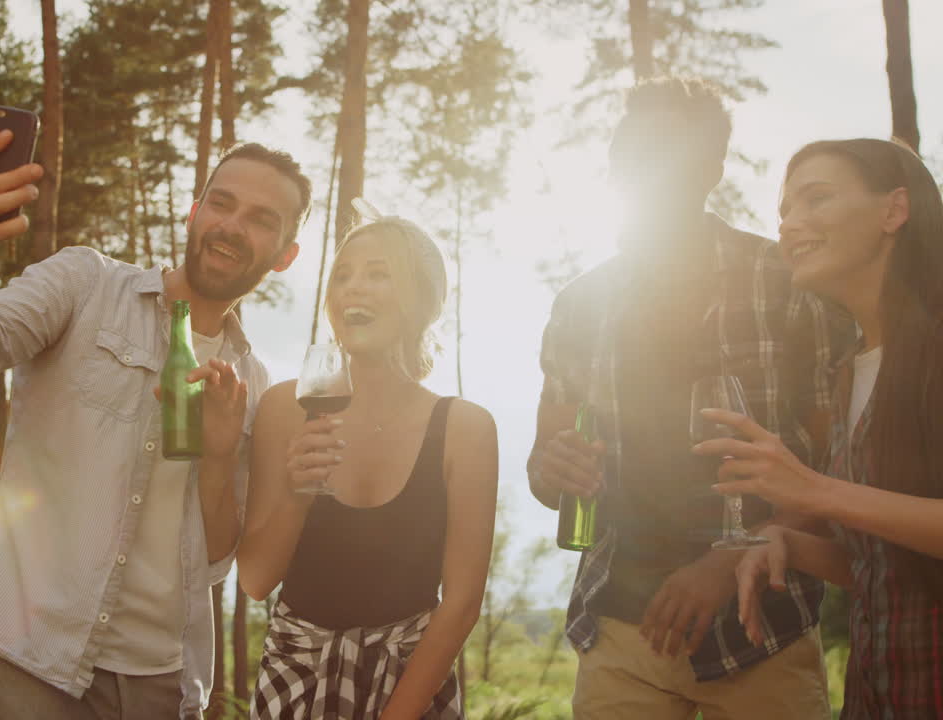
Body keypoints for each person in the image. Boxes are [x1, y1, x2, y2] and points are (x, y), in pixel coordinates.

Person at [0, 133, 311, 720]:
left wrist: (220, 457)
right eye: (221, 203)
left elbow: (217, 558)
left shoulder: (254, 382)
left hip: (163, 683)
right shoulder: (85, 284)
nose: (231, 226)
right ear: (194, 212)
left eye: (261, 219)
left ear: (284, 255)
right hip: (26, 659)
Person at [528, 76, 851, 719]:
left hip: (764, 630)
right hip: (620, 633)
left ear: (709, 170)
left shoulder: (789, 284)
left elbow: (833, 473)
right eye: (627, 152)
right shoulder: (580, 305)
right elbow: (544, 472)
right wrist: (552, 469)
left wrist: (728, 562)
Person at [697, 138, 943, 719]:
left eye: (817, 199)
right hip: (882, 692)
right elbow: (883, 567)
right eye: (784, 210)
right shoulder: (848, 372)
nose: (789, 224)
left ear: (894, 210)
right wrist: (789, 543)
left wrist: (815, 490)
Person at [236, 208, 498, 719]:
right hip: (294, 680)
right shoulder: (285, 407)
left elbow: (462, 602)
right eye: (343, 276)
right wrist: (296, 494)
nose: (353, 288)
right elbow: (256, 580)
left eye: (378, 274)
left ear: (423, 299)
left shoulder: (466, 429)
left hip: (412, 687)